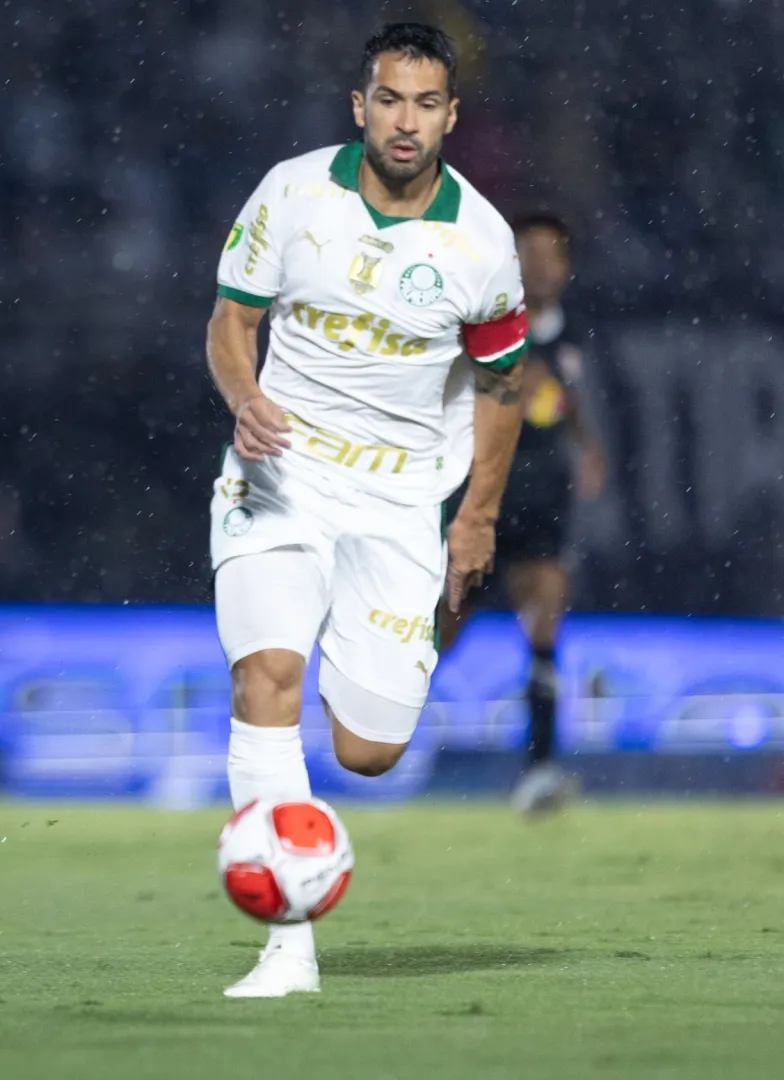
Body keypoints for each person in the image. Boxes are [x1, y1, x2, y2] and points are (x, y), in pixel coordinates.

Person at [204, 23, 528, 998]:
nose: (406, 121)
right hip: (282, 475)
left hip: (399, 498)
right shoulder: (293, 193)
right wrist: (245, 397)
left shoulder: (482, 240)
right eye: (390, 99)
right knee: (266, 676)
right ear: (360, 105)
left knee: (370, 751)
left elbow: (502, 386)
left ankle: (384, 662)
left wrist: (475, 519)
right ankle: (287, 945)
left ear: (452, 117)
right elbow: (232, 321)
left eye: (427, 104)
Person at [439, 213, 604, 815]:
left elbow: (567, 395)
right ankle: (372, 730)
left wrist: (587, 447)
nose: (537, 266)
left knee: (544, 627)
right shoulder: (483, 323)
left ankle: (539, 767)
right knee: (443, 629)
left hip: (542, 496)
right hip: (482, 492)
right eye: (526, 253)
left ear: (565, 268)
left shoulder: (571, 332)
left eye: (549, 255)